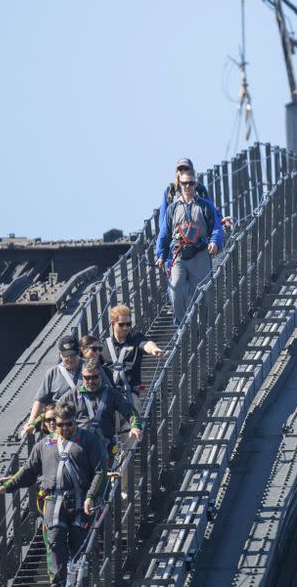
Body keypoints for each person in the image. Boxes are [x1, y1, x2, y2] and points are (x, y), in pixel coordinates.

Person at [0, 402, 106, 587]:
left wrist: (90, 496)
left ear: (75, 421)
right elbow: (28, 471)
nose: (65, 428)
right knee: (54, 543)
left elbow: (100, 471)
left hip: (80, 500)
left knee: (80, 545)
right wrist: (7, 487)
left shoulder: (88, 440)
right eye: (60, 425)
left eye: (69, 424)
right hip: (53, 500)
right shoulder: (44, 445)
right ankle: (58, 583)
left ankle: (81, 582)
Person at [155, 169, 223, 325]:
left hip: (200, 255)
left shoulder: (205, 206)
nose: (187, 187)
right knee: (176, 290)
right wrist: (161, 255)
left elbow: (217, 228)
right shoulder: (173, 208)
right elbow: (164, 234)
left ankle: (203, 327)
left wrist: (215, 242)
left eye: (190, 183)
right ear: (180, 184)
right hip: (179, 255)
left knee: (203, 295)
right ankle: (182, 326)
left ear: (196, 184)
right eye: (184, 183)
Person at [57, 356, 141, 452]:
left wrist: (135, 427)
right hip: (79, 446)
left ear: (101, 375)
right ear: (82, 376)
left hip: (104, 446)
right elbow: (55, 412)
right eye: (87, 378)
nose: (91, 381)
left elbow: (131, 412)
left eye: (95, 377)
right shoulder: (72, 394)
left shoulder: (112, 394)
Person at [101, 304, 163, 428]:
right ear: (113, 323)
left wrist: (154, 349)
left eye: (128, 324)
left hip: (129, 394)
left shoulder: (136, 339)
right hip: (109, 395)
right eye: (122, 324)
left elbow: (146, 344)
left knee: (132, 428)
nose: (126, 328)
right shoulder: (103, 346)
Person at [21, 335, 83, 438]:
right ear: (59, 354)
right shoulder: (52, 373)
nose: (70, 359)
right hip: (60, 426)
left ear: (79, 351)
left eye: (73, 355)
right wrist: (31, 422)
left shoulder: (90, 370)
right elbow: (41, 400)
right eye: (66, 356)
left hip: (83, 423)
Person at [159, 157, 233, 233]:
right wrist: (163, 235)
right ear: (177, 172)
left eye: (186, 169)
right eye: (180, 169)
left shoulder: (200, 189)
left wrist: (221, 220)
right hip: (176, 235)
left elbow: (210, 207)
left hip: (198, 233)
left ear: (192, 172)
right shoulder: (170, 191)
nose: (183, 171)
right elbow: (163, 217)